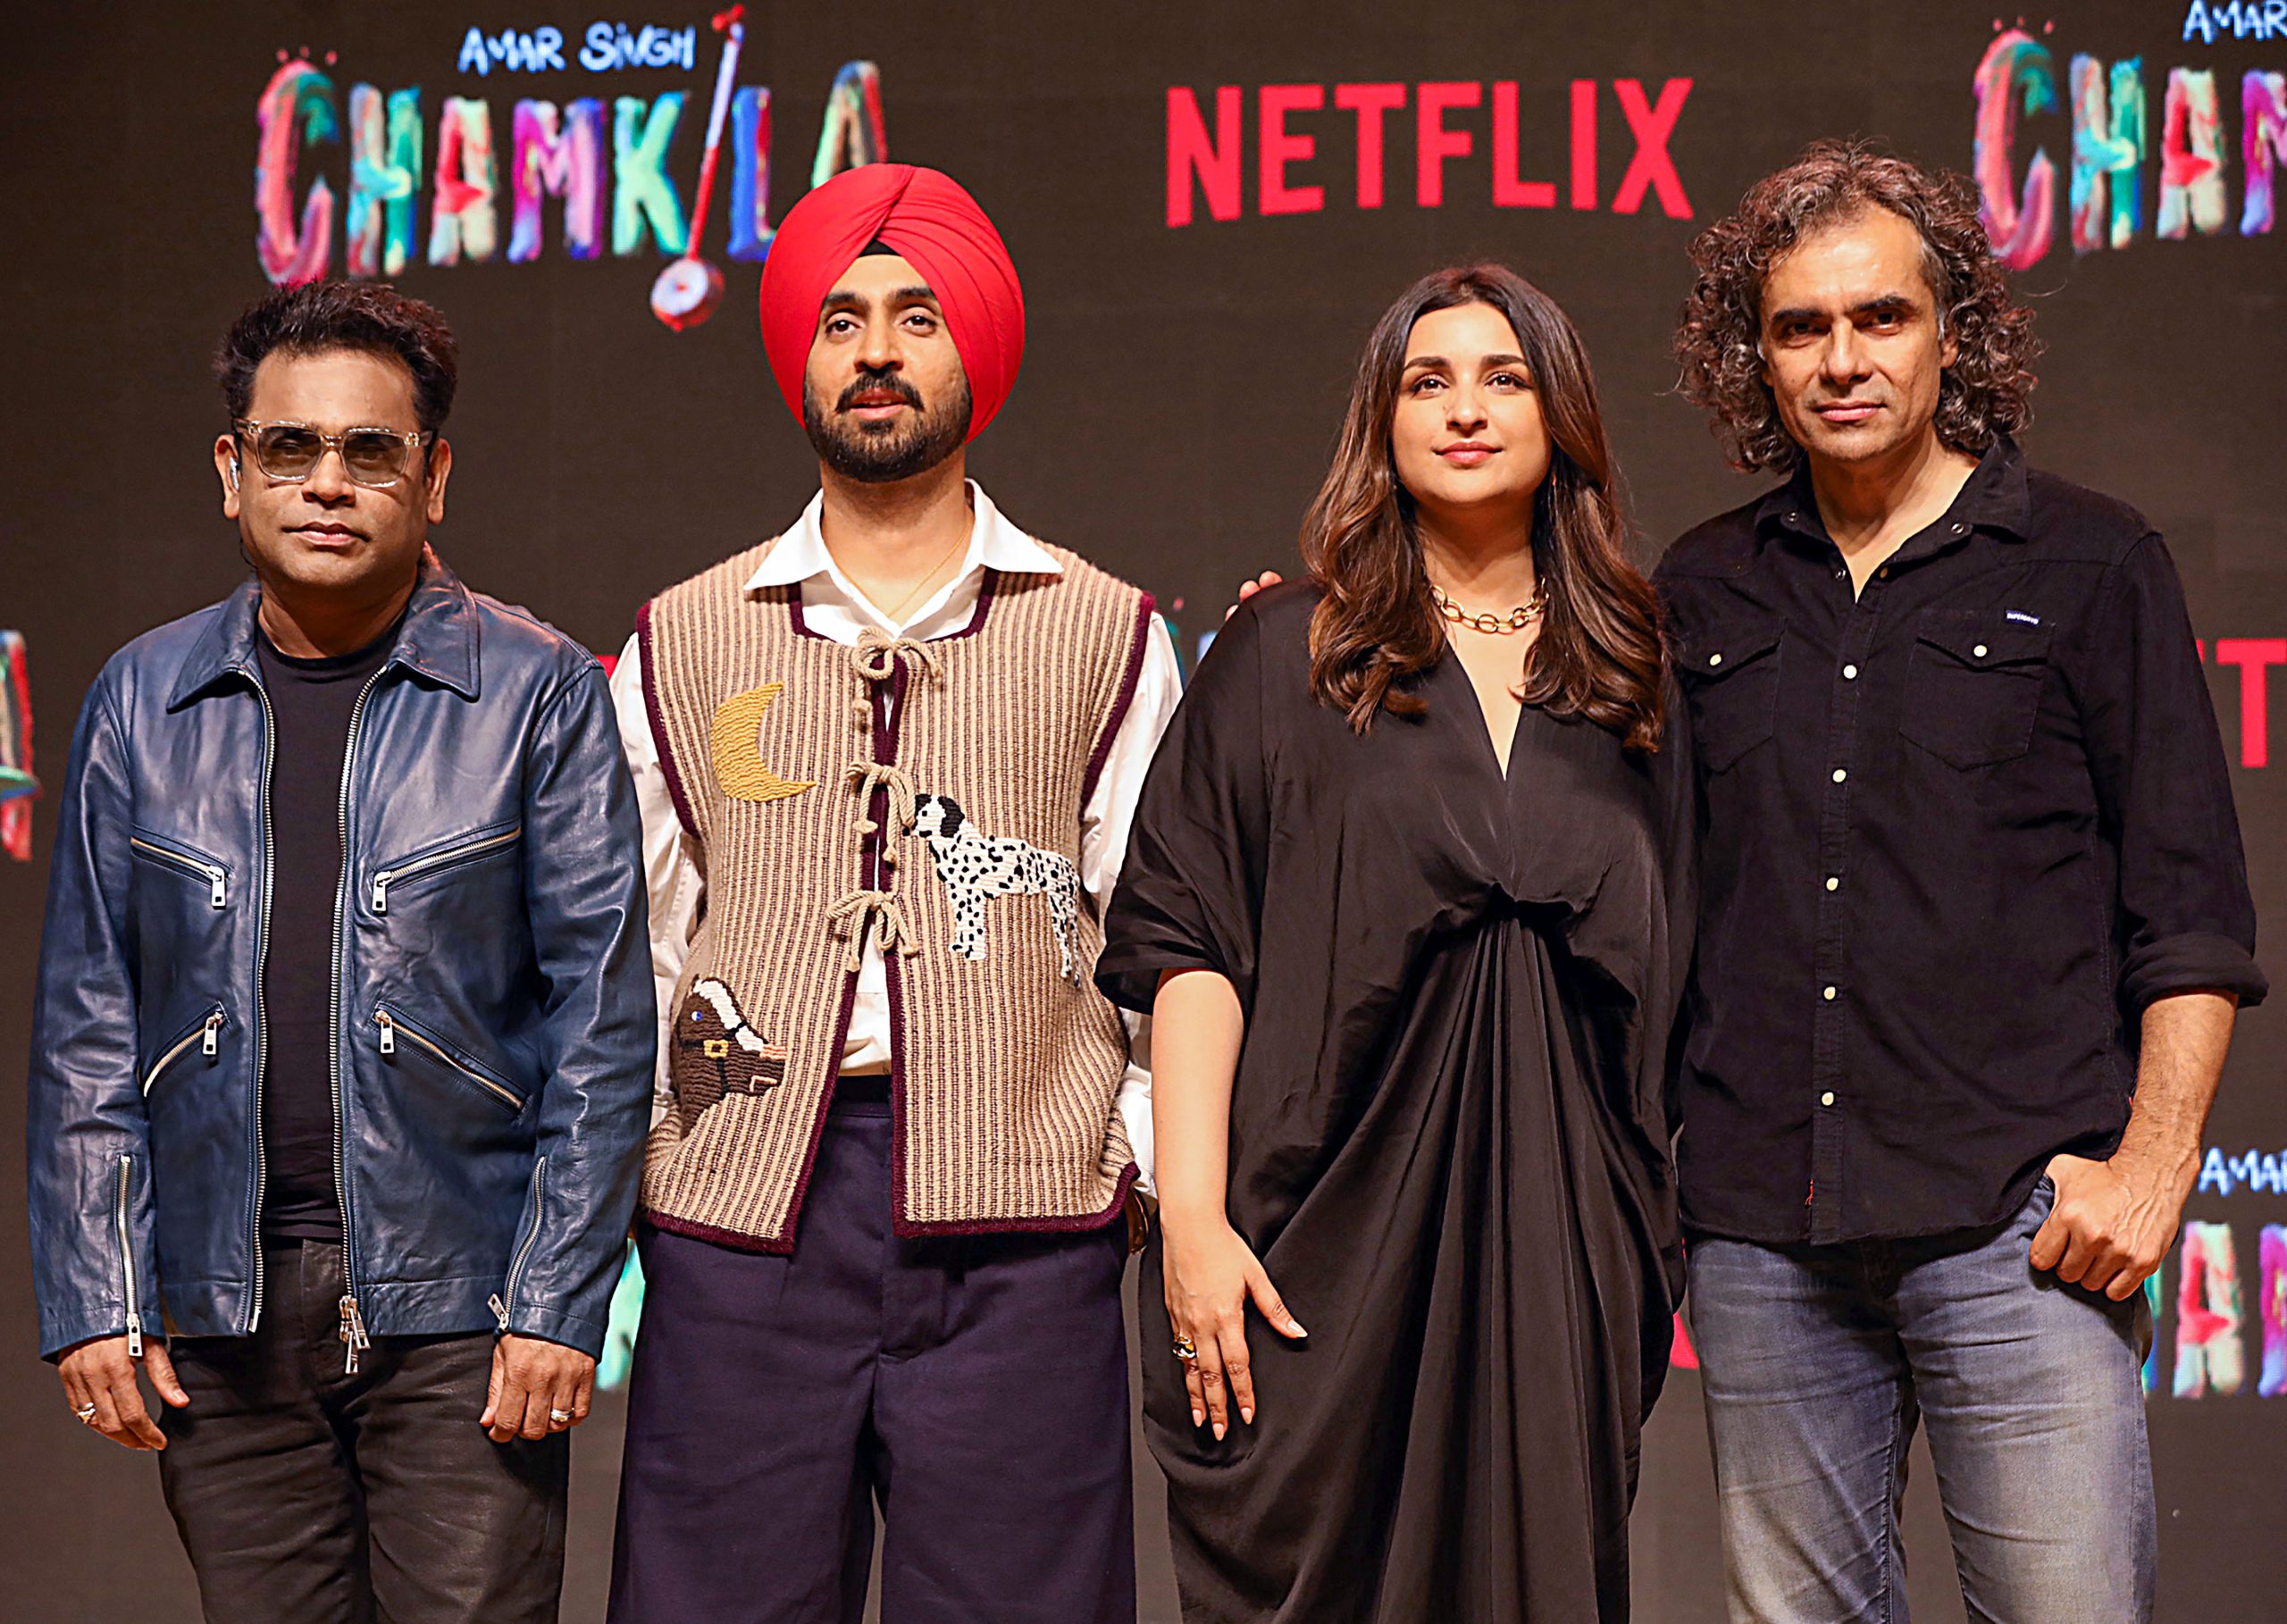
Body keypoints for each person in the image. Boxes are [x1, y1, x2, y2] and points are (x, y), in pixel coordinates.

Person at [1658, 140, 2264, 1622]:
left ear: (1953, 332)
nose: (1842, 359)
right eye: (1801, 327)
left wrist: (2153, 1168)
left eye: (1882, 316)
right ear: (1756, 358)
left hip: (2022, 1232)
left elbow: (2191, 912)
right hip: (1763, 1230)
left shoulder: (2093, 560)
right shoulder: (1701, 589)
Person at [26, 280, 653, 1623]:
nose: (327, 483)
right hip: (223, 1315)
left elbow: (600, 1025)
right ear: (231, 471)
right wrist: (94, 1291)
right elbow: (90, 1023)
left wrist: (556, 1301)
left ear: (433, 479)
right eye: (289, 447)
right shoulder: (142, 699)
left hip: (463, 1313)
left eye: (371, 450)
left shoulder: (536, 693)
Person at [605, 162, 1180, 1624]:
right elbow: (640, 946)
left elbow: (1153, 937)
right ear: (800, 357)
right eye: (842, 319)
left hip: (1024, 1233)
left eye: (917, 316)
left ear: (972, 345)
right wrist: (662, 1158)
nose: (876, 351)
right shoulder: (684, 636)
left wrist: (1117, 1163)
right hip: (745, 1227)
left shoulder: (1102, 630)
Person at [1102, 264, 1692, 1623]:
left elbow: (1687, 969)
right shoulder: (1282, 650)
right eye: (1429, 381)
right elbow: (1191, 943)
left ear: (1562, 416)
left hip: (1566, 1252)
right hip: (1315, 1248)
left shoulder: (1639, 673)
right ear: (1382, 418)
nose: (1465, 409)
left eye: (1504, 378)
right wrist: (1193, 1218)